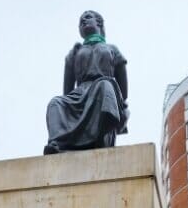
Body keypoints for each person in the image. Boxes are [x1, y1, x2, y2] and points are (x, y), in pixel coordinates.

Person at [44, 10, 129, 154]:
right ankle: (57, 143)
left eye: (87, 18)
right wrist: (71, 102)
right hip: (80, 93)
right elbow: (67, 90)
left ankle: (101, 136)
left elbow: (122, 80)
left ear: (99, 23)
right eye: (80, 22)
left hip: (104, 88)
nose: (83, 22)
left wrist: (121, 102)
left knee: (105, 87)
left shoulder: (111, 49)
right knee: (55, 103)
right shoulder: (75, 52)